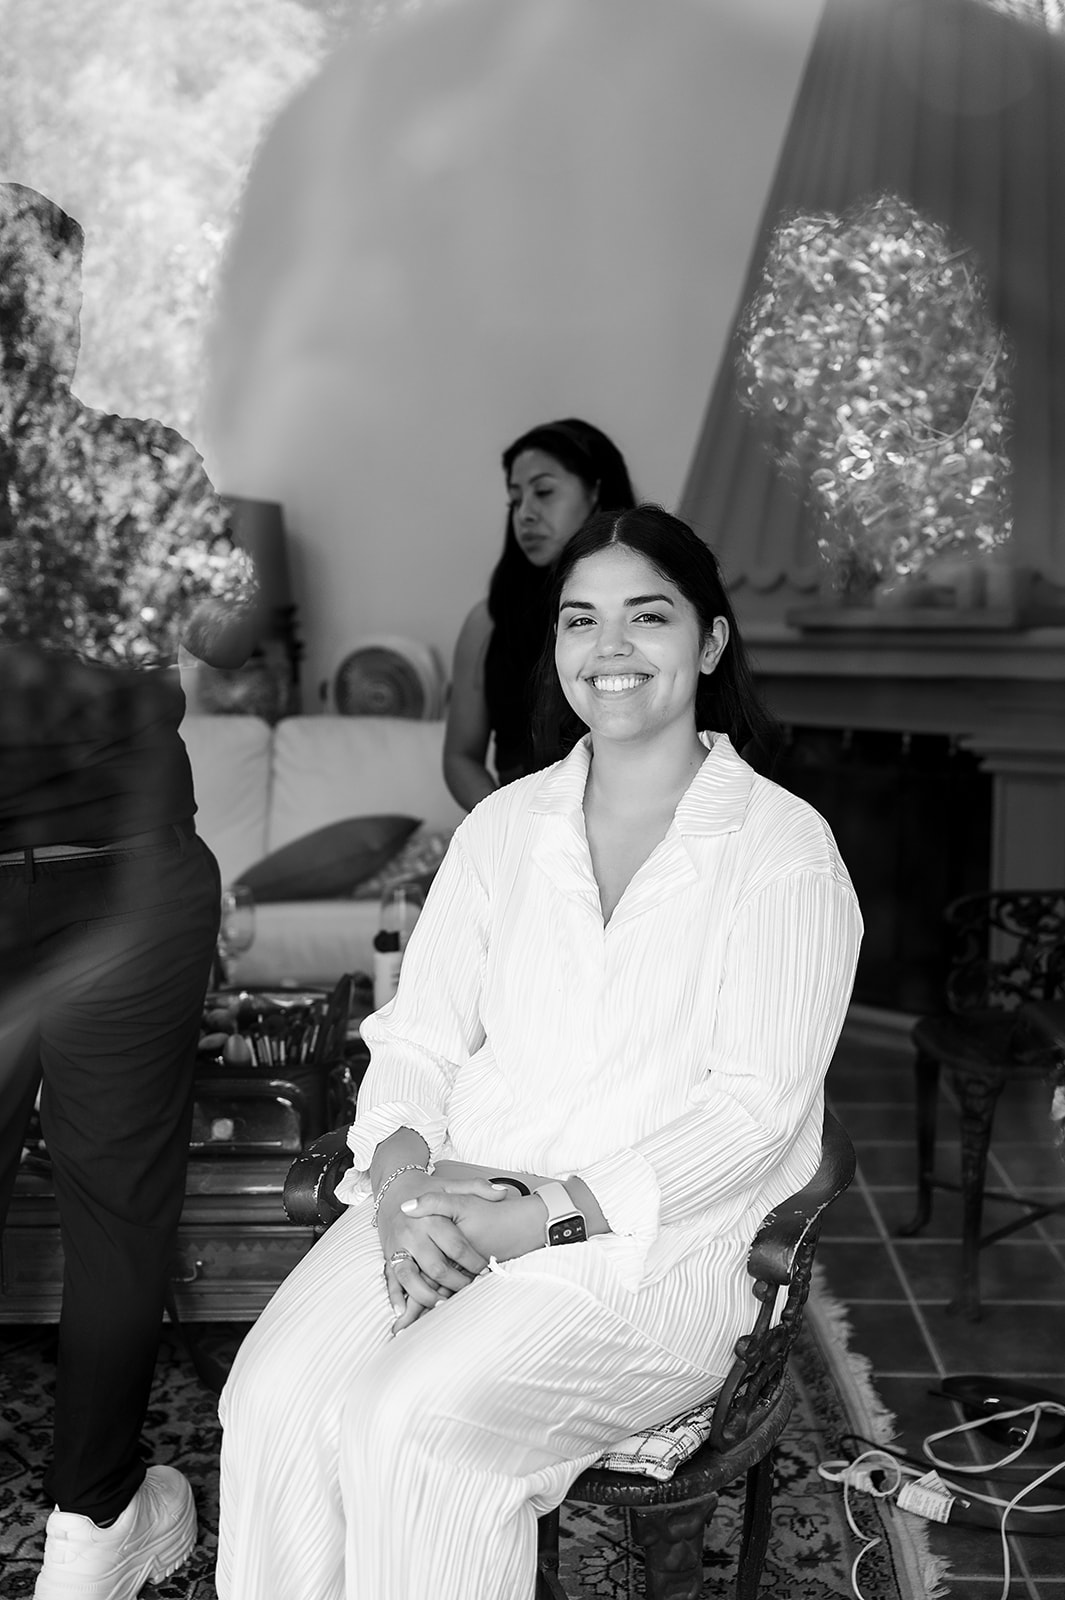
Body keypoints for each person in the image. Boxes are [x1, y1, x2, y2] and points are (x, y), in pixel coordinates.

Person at [216, 504, 863, 1600]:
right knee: (270, 1399)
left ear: (708, 643)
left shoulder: (783, 851)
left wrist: (543, 1214)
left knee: (408, 1417)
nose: (609, 650)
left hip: (650, 1251)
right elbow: (418, 1036)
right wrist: (402, 1189)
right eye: (580, 620)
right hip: (452, 1194)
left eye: (646, 617)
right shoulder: (505, 827)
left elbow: (752, 1114)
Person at [0, 183, 264, 1600]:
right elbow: (235, 637)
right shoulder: (137, 459)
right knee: (114, 1217)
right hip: (127, 888)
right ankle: (90, 1538)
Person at [443, 416, 635, 809]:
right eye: (515, 500)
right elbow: (460, 757)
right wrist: (508, 825)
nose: (525, 514)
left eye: (543, 492)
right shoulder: (487, 623)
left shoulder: (644, 612)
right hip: (519, 833)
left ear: (595, 490)